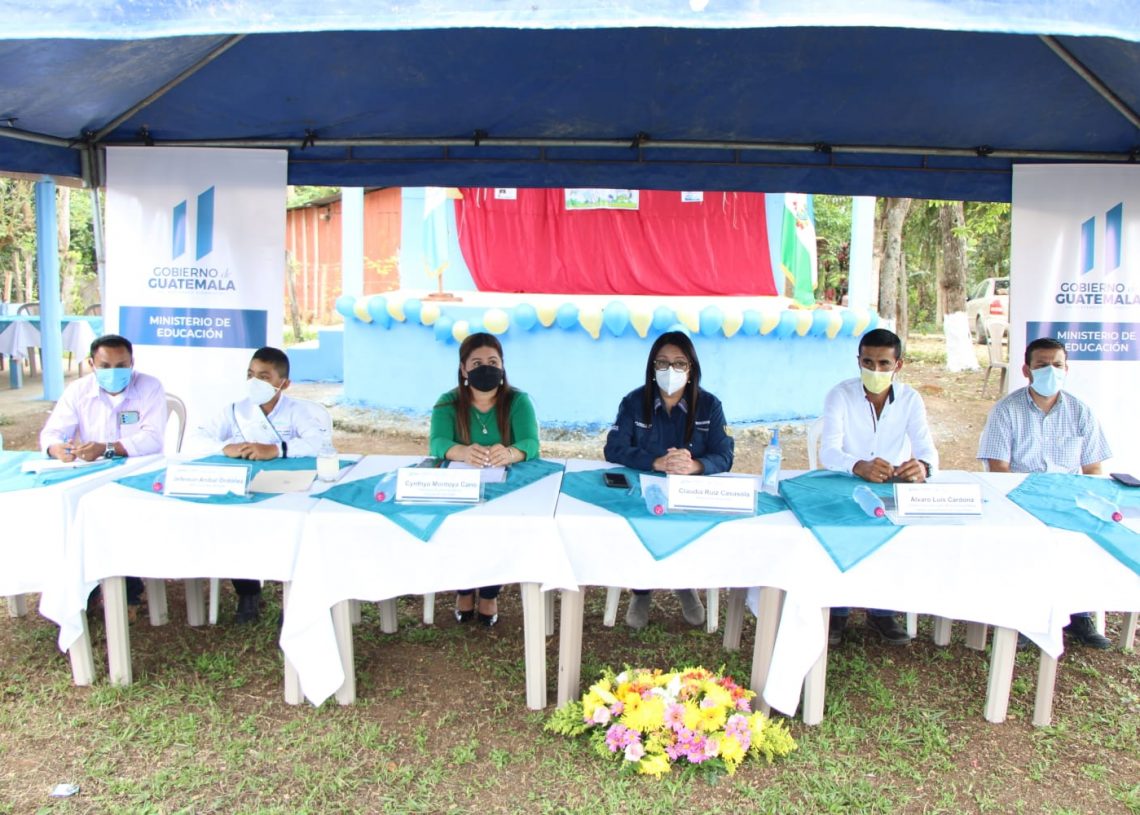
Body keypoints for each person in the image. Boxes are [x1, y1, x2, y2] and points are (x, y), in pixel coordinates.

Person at [977, 336, 1113, 649]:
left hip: (1068, 499)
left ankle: (1078, 615)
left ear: (1067, 369)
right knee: (1026, 544)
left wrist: (1081, 501)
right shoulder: (1006, 411)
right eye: (1042, 365)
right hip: (1019, 499)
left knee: (1084, 538)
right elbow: (998, 468)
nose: (1050, 371)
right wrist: (1032, 501)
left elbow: (1093, 469)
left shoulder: (1081, 411)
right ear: (1026, 370)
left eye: (1057, 364)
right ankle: (1027, 618)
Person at [603, 330, 734, 630]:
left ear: (691, 369)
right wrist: (655, 462)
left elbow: (725, 455)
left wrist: (695, 465)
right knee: (639, 525)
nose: (670, 370)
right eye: (662, 363)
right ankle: (641, 591)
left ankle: (684, 584)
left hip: (691, 490)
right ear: (652, 368)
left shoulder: (709, 405)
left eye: (679, 363)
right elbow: (614, 448)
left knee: (689, 528)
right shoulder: (634, 402)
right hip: (644, 490)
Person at [193, 346, 333, 623]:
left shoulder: (298, 411)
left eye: (264, 377)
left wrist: (277, 449)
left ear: (284, 384)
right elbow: (197, 438)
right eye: (251, 374)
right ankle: (247, 592)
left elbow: (318, 444)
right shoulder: (235, 411)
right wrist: (225, 447)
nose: (254, 382)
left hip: (288, 487)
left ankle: (292, 599)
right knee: (234, 526)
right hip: (245, 487)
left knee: (294, 529)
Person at [819, 327, 938, 646]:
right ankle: (838, 610)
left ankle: (882, 611)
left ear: (898, 365)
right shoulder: (840, 395)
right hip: (847, 483)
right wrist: (858, 465)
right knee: (840, 531)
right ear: (858, 361)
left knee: (893, 538)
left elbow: (927, 450)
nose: (875, 369)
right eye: (868, 362)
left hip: (892, 486)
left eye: (884, 363)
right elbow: (829, 452)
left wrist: (922, 467)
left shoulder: (910, 399)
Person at [40, 333, 167, 616]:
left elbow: (153, 439)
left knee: (122, 514)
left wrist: (106, 448)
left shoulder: (149, 387)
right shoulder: (78, 391)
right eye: (106, 366)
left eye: (122, 365)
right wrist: (56, 448)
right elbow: (52, 433)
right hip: (91, 474)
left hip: (140, 472)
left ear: (132, 362)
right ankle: (84, 588)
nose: (114, 372)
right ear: (91, 364)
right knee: (71, 510)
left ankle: (129, 585)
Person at [429, 332, 540, 628]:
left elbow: (531, 443)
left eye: (493, 361)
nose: (486, 368)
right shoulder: (447, 403)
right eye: (477, 363)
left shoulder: (518, 401)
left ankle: (490, 593)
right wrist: (462, 452)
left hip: (506, 486)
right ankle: (464, 590)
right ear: (464, 369)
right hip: (460, 487)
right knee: (458, 529)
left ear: (502, 366)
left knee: (499, 530)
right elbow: (437, 443)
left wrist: (511, 453)